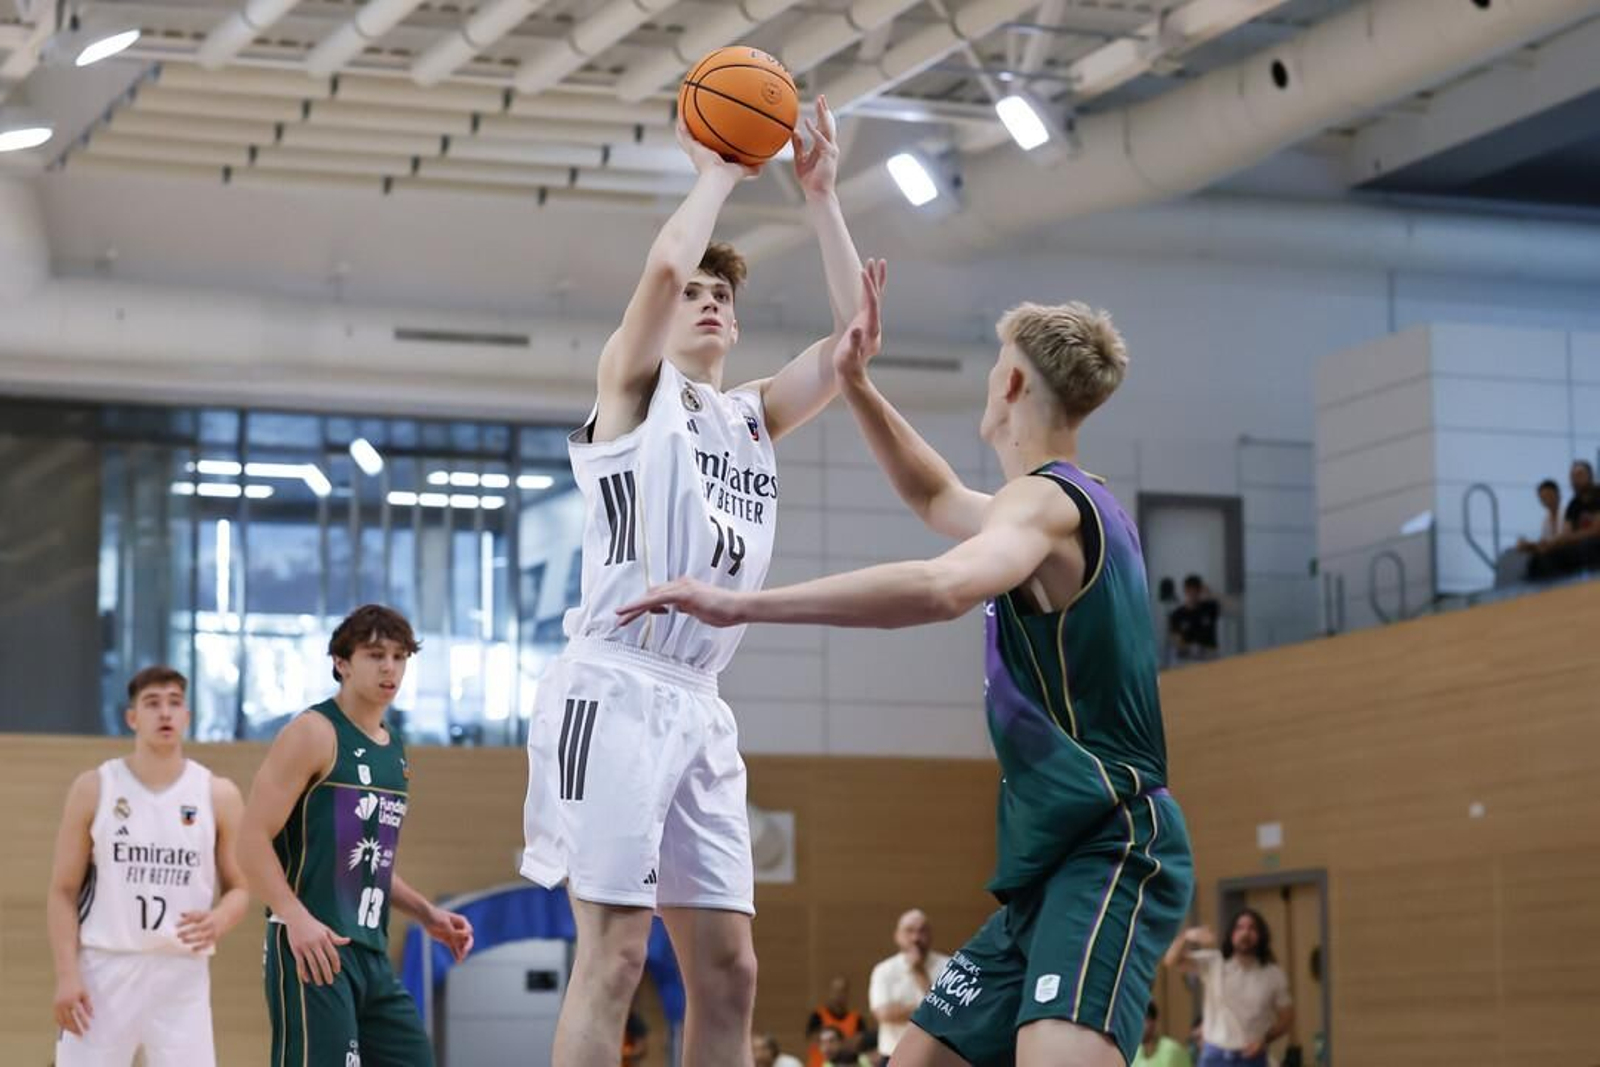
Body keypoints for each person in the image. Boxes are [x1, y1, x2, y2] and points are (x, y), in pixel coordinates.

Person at [619, 273, 1195, 1066]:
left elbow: (938, 585)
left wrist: (742, 604)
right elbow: (932, 495)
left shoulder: (1044, 505)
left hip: (1112, 843)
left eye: (996, 363)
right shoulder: (1042, 506)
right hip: (1048, 866)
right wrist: (853, 383)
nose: (990, 378)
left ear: (1014, 382)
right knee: (916, 1057)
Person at [518, 96, 868, 1067]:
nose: (710, 299)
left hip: (700, 701)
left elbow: (851, 344)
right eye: (696, 293)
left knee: (729, 971)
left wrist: (823, 195)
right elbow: (668, 265)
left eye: (726, 294)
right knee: (617, 954)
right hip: (615, 681)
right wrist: (717, 167)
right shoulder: (631, 388)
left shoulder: (749, 417)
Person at [237, 604, 475, 1067]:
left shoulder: (394, 749)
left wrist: (427, 913)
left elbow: (366, 861)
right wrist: (294, 916)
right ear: (342, 663)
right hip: (314, 946)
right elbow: (249, 840)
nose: (390, 667)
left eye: (400, 656)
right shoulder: (313, 732)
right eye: (375, 654)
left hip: (371, 952)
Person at [46, 666, 250, 1067]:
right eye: (152, 704)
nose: (165, 713)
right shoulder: (95, 787)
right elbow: (62, 890)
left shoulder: (218, 794)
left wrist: (221, 918)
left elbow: (241, 887)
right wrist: (67, 975)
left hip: (182, 974)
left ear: (187, 717)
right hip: (104, 970)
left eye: (175, 703)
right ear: (132, 717)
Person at [1164, 912, 1293, 1067]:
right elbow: (1171, 960)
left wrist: (1265, 1040)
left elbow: (1287, 1017)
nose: (1245, 932)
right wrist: (1187, 936)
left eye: (1252, 928)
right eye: (1240, 928)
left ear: (1260, 935)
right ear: (1232, 935)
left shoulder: (1273, 974)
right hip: (1215, 1055)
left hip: (1251, 1055)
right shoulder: (1214, 962)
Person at [868, 910, 950, 1059]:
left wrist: (919, 973)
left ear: (931, 935)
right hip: (894, 1055)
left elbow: (947, 1014)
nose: (916, 938)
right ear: (897, 936)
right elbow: (883, 1013)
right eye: (909, 931)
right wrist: (928, 1009)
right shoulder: (884, 970)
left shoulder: (948, 966)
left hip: (936, 1056)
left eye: (922, 931)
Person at [806, 975, 865, 1067]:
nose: (838, 994)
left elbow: (860, 1044)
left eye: (842, 991)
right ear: (830, 992)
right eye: (835, 990)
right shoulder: (818, 1016)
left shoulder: (857, 1019)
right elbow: (812, 1040)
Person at [1168, 575, 1220, 661]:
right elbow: (1176, 639)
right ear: (1185, 591)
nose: (1192, 593)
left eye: (1196, 590)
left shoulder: (1209, 607)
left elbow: (1233, 607)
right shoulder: (1177, 614)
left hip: (1210, 656)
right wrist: (1191, 648)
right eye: (1190, 590)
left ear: (1200, 591)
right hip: (1187, 658)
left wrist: (1210, 593)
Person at [1132, 1001, 1192, 1067]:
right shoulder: (1135, 1055)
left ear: (1153, 1021)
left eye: (1139, 1021)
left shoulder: (1172, 1051)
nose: (1135, 1027)